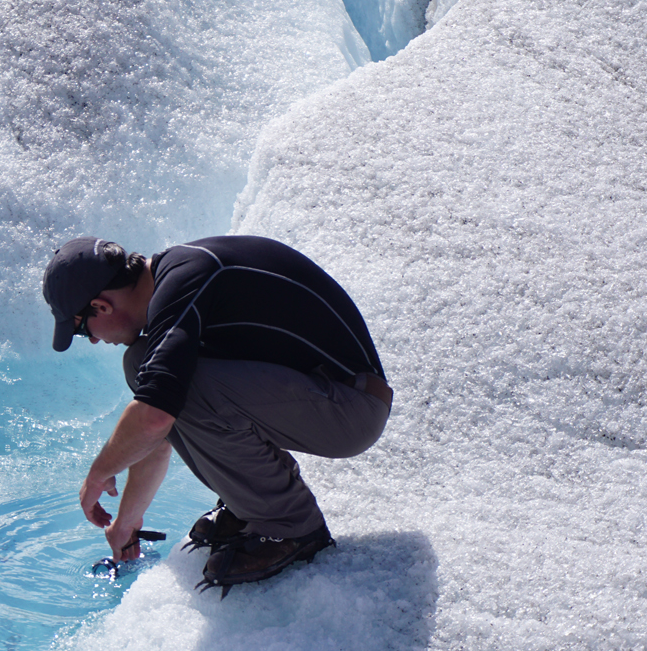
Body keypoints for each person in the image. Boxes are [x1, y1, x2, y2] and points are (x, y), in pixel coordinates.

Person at [42, 235, 391, 596]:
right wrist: (126, 523)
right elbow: (157, 433)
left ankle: (290, 526)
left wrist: (98, 474)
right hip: (323, 396)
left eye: (82, 330)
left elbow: (155, 418)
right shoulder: (173, 280)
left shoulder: (184, 282)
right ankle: (248, 504)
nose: (94, 341)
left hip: (352, 407)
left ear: (101, 306)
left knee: (174, 391)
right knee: (143, 367)